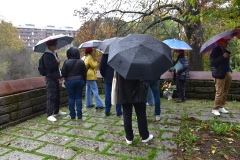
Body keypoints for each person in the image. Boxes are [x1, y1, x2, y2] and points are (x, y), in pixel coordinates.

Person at [117, 73, 153, 144]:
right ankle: (145, 136)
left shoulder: (119, 63)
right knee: (141, 114)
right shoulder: (139, 62)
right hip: (138, 91)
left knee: (127, 115)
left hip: (124, 91)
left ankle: (129, 137)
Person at [43, 39, 66, 122]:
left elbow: (56, 68)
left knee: (57, 95)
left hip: (55, 78)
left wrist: (60, 76)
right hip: (50, 78)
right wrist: (57, 62)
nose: (56, 46)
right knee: (51, 96)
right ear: (49, 46)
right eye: (54, 45)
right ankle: (49, 114)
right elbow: (49, 68)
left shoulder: (54, 54)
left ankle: (56, 111)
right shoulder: (46, 55)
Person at [61, 47, 87, 119]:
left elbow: (63, 74)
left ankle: (72, 115)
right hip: (80, 81)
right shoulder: (81, 62)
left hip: (69, 82)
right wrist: (84, 82)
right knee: (78, 97)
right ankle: (79, 115)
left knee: (71, 98)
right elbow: (84, 73)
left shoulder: (66, 62)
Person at [210, 38, 231, 116]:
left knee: (225, 91)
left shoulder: (224, 51)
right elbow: (213, 63)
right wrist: (222, 57)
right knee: (219, 92)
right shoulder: (215, 51)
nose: (227, 43)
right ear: (220, 43)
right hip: (219, 74)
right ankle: (215, 108)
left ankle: (221, 106)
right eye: (225, 42)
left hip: (227, 72)